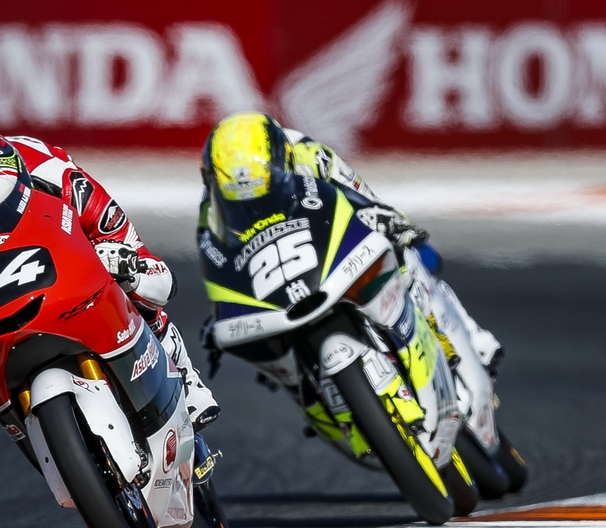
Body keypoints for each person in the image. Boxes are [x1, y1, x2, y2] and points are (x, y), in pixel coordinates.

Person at [0, 128, 219, 428]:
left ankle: (186, 376)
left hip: (52, 228)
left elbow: (154, 273)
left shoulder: (61, 179)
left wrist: (129, 266)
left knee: (142, 285)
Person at [197, 111, 503, 374]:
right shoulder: (210, 207)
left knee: (407, 253)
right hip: (274, 274)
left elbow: (366, 199)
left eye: (264, 193)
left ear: (283, 161)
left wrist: (392, 223)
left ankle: (466, 336)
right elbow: (217, 262)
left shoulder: (310, 155)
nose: (255, 208)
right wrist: (221, 311)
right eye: (241, 203)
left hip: (323, 244)